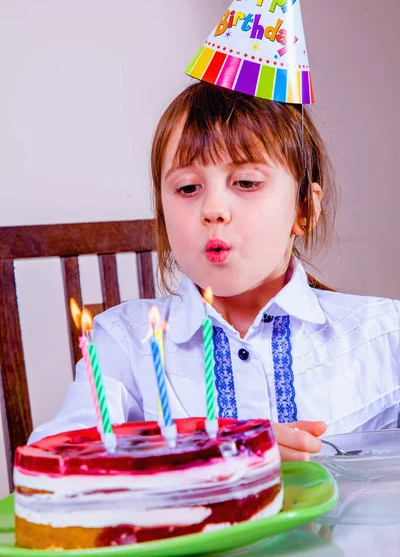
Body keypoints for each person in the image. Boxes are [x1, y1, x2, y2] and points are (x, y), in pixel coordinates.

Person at [29, 82, 400, 460]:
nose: (213, 209)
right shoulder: (123, 345)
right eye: (188, 188)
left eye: (246, 182)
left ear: (304, 208)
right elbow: (49, 468)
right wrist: (210, 456)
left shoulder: (384, 335)